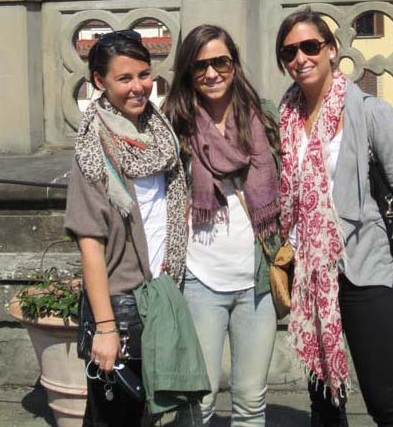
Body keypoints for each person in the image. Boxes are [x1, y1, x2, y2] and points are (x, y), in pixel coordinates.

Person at [275, 8, 393, 427]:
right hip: (309, 274)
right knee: (324, 404)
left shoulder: (369, 111)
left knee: (384, 401)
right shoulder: (285, 118)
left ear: (332, 49)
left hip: (365, 268)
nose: (300, 58)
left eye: (310, 46)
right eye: (289, 52)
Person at [64, 30, 189, 427]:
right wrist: (105, 329)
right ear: (99, 81)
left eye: (144, 74)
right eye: (124, 78)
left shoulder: (161, 133)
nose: (138, 87)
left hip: (163, 294)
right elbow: (90, 244)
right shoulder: (94, 147)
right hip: (121, 306)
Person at [163, 24, 280, 427]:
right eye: (200, 66)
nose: (211, 73)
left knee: (251, 399)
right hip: (199, 279)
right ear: (187, 72)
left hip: (257, 281)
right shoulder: (175, 126)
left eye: (220, 62)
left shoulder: (263, 117)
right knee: (200, 401)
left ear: (234, 64)